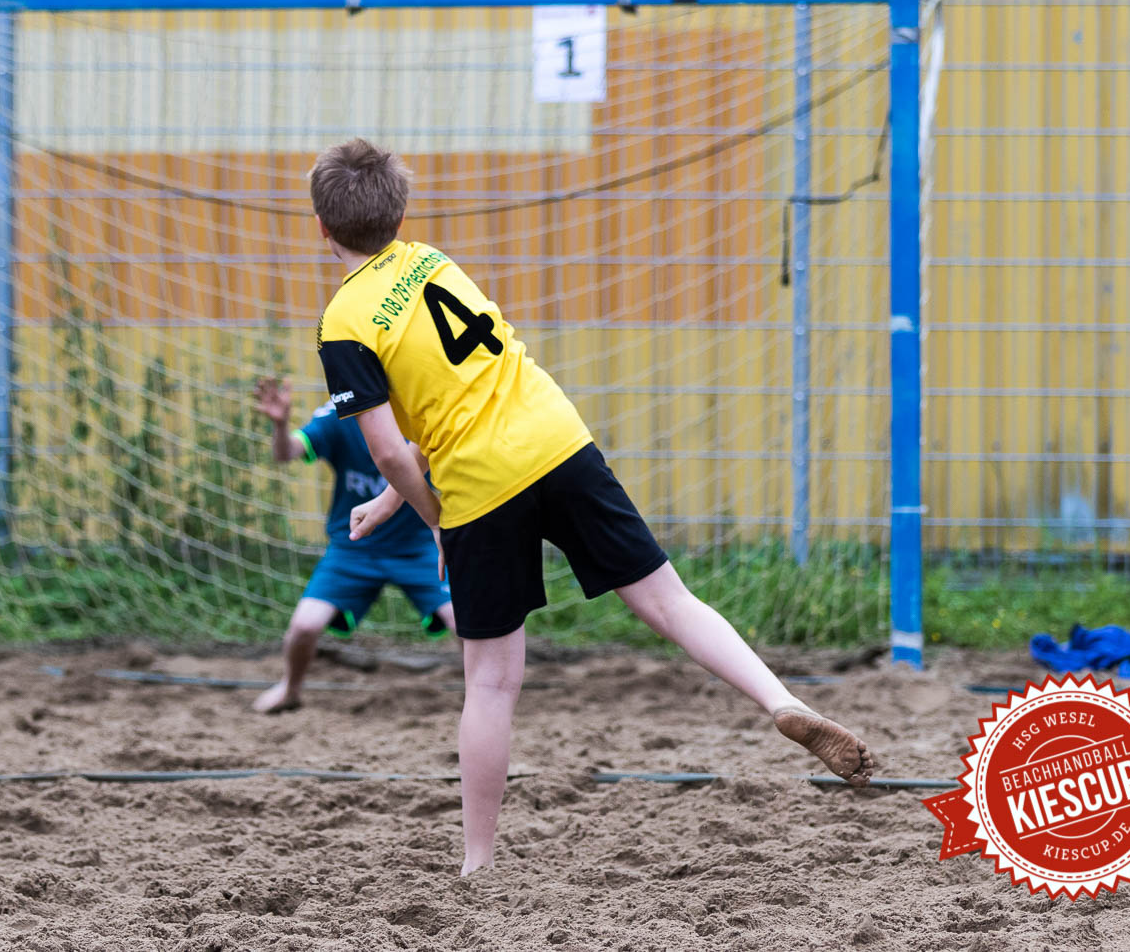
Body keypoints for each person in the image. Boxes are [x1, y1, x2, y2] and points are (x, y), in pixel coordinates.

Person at [307, 138, 875, 875]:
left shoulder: (344, 321)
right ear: (400, 210)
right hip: (557, 437)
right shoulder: (429, 260)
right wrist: (393, 501)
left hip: (479, 485)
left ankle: (477, 865)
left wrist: (433, 515)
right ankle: (778, 699)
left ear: (320, 227)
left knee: (491, 682)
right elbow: (455, 397)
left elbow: (390, 447)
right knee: (672, 601)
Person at [249, 375, 455, 714]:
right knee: (304, 626)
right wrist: (281, 424)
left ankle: (479, 693)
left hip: (419, 546)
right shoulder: (342, 412)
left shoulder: (424, 410)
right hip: (354, 546)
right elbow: (287, 453)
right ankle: (290, 688)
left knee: (466, 623)